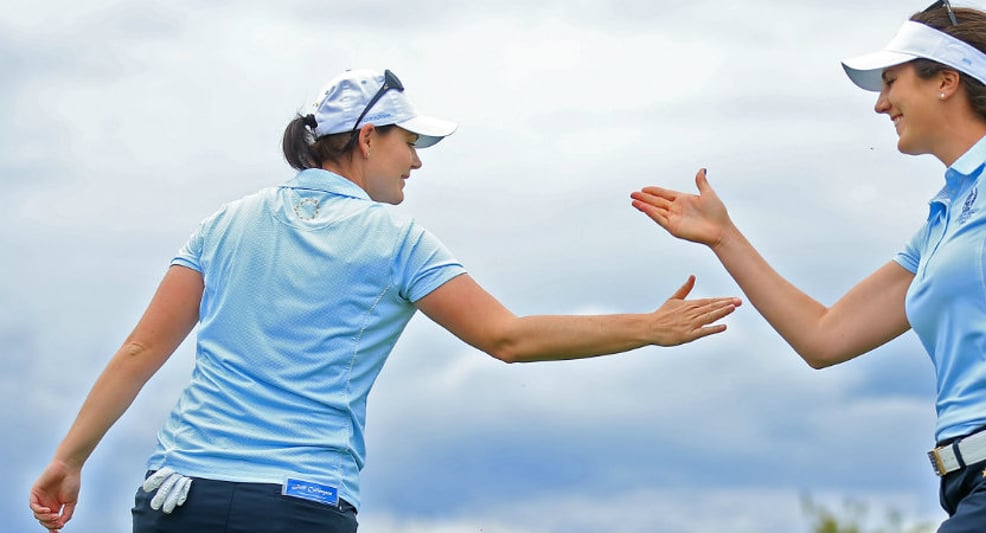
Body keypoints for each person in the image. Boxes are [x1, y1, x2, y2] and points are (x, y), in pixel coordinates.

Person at [29, 68, 742, 533]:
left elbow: (141, 349)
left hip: (176, 496)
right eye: (410, 141)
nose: (419, 159)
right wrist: (646, 328)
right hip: (294, 504)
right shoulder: (396, 240)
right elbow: (508, 337)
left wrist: (70, 456)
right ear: (368, 139)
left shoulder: (225, 221)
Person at [630, 2, 986, 531]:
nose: (880, 103)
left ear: (947, 80)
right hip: (977, 486)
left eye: (892, 81)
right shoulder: (944, 217)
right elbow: (823, 337)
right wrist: (724, 238)